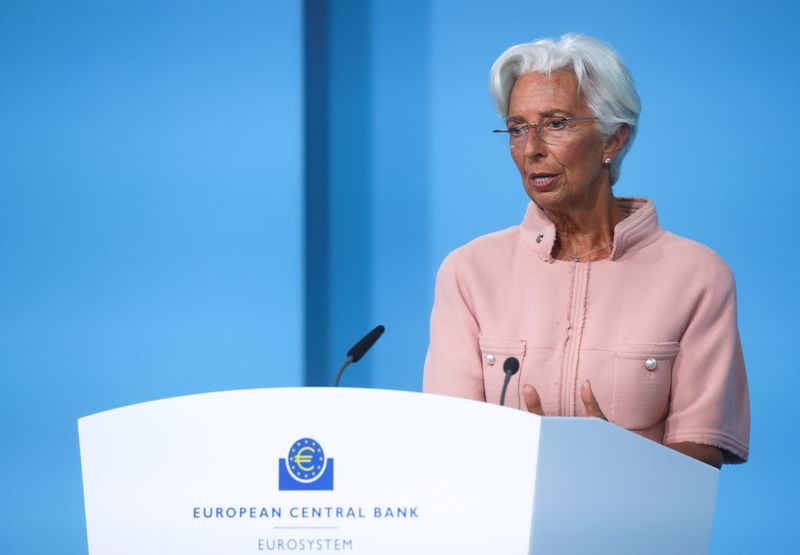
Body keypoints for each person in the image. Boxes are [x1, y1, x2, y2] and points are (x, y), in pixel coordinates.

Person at [422, 34, 749, 468]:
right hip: (498, 532)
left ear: (612, 140)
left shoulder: (698, 276)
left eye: (555, 123)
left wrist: (608, 464)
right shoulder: (468, 272)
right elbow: (447, 439)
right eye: (517, 128)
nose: (531, 149)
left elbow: (703, 449)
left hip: (633, 533)